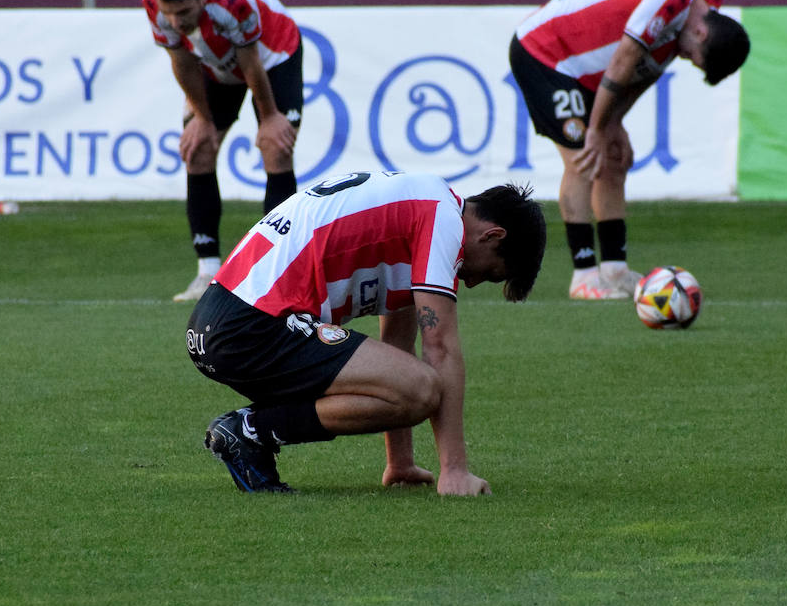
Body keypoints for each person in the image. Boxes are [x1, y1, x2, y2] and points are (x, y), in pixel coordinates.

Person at [185, 170, 546, 496]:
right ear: (492, 235)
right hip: (251, 324)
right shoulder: (442, 219)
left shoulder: (420, 207)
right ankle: (250, 430)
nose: (471, 282)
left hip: (221, 322)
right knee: (424, 387)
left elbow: (398, 348)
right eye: (490, 273)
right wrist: (454, 472)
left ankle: (252, 431)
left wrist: (400, 464)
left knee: (412, 384)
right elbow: (441, 349)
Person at [509, 0, 750, 300]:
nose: (685, 57)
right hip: (547, 54)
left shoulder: (701, 7)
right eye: (692, 56)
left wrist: (613, 123)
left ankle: (614, 269)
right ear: (700, 32)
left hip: (591, 69)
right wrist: (596, 129)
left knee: (613, 158)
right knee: (583, 156)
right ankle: (584, 275)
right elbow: (624, 61)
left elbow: (647, 69)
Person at [142, 0, 304, 302]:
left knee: (276, 148)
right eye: (169, 13)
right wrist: (202, 117)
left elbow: (251, 64)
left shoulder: (233, 1)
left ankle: (278, 272)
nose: (176, 21)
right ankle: (207, 273)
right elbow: (181, 61)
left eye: (184, 11)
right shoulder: (152, 3)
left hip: (273, 58)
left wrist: (271, 116)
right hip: (216, 66)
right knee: (198, 149)